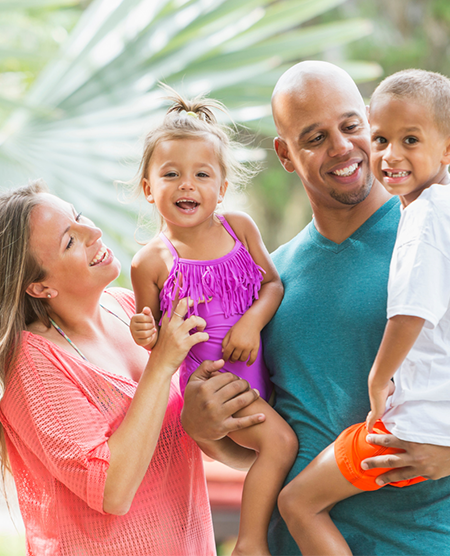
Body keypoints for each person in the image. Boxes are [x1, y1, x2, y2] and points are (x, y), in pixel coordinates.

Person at [230, 59, 450, 556]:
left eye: (351, 127)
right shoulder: (270, 283)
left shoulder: (433, 235)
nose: (342, 147)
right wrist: (210, 435)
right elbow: (271, 442)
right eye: (314, 138)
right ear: (285, 154)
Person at [0, 180, 266, 556]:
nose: (93, 232)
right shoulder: (33, 365)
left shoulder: (128, 308)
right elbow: (112, 491)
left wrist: (216, 430)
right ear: (39, 288)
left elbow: (197, 448)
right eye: (70, 241)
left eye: (79, 217)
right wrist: (162, 362)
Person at [129, 90, 298, 556]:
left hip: (259, 369)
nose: (188, 185)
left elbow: (273, 286)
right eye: (171, 175)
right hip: (217, 386)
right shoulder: (151, 262)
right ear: (148, 188)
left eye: (202, 174)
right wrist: (144, 333)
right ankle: (250, 542)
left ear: (221, 187)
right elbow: (153, 337)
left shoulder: (239, 227)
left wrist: (249, 324)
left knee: (289, 444)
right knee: (280, 445)